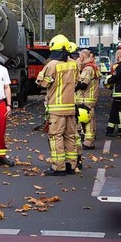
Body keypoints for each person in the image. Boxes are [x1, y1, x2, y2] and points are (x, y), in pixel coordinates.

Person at [36, 34, 80, 176]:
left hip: (56, 108)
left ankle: (58, 167)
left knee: (56, 137)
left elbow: (43, 83)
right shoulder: (74, 64)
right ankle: (71, 165)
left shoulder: (51, 65)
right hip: (71, 107)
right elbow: (78, 82)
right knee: (70, 136)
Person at [75, 49, 100, 149]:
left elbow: (83, 84)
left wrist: (74, 86)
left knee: (87, 122)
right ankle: (89, 141)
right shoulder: (94, 66)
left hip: (85, 98)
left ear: (82, 57)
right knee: (90, 120)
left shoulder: (87, 68)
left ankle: (88, 143)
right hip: (91, 98)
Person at [105, 48, 121, 137]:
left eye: (116, 55)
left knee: (118, 112)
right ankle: (110, 130)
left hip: (119, 92)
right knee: (114, 111)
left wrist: (107, 81)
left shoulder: (120, 66)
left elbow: (114, 78)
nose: (116, 57)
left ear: (119, 56)